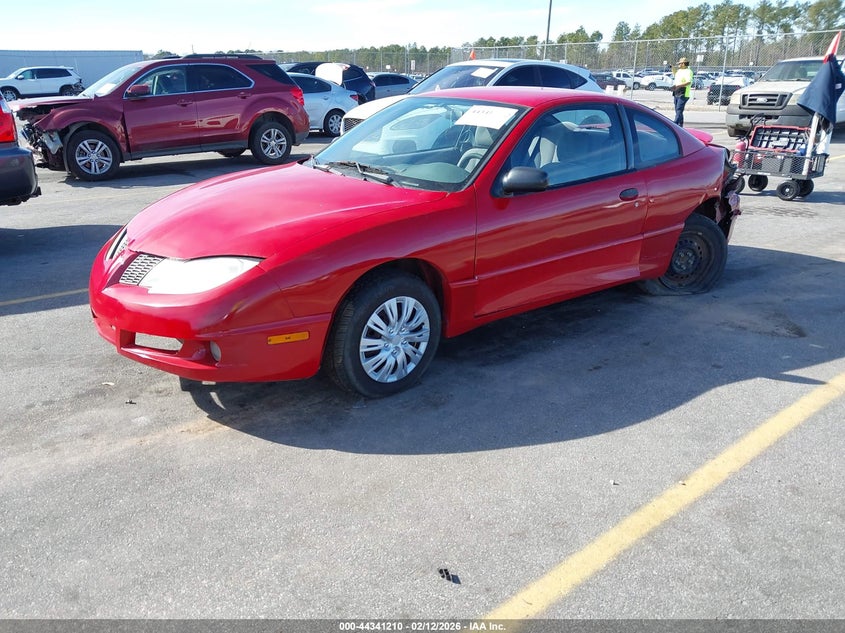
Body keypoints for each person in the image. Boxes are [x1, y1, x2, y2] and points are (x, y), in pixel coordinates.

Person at [672, 57, 694, 126]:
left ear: (684, 64)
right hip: (676, 92)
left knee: (679, 109)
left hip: (683, 93)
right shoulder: (679, 71)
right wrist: (672, 69)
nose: (679, 65)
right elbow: (676, 75)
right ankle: (680, 125)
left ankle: (675, 123)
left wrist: (678, 86)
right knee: (677, 109)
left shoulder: (688, 71)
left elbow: (688, 82)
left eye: (680, 63)